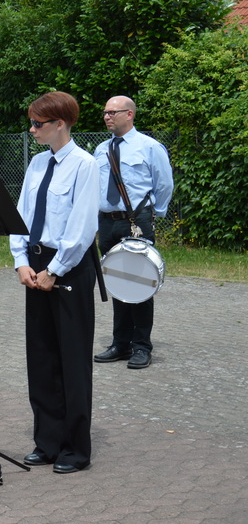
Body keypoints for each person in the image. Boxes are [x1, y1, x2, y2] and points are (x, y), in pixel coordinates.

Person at [9, 92, 98, 474]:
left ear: (60, 123)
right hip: (36, 265)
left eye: (38, 124)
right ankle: (47, 441)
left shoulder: (84, 165)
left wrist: (55, 269)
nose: (32, 130)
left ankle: (75, 449)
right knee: (42, 358)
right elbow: (21, 215)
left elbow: (82, 226)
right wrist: (21, 261)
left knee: (72, 360)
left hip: (69, 268)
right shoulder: (37, 164)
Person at [93, 96, 174, 370]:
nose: (107, 116)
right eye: (105, 112)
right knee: (117, 282)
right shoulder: (101, 149)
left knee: (139, 284)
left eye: (112, 112)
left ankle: (141, 346)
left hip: (135, 221)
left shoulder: (150, 147)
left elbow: (164, 184)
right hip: (107, 222)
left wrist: (153, 213)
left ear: (129, 114)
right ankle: (120, 344)